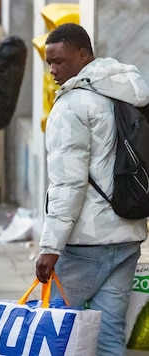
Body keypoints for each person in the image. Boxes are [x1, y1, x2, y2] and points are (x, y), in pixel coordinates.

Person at [35, 23, 149, 356]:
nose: (54, 71)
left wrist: (49, 245)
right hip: (128, 231)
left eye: (60, 61)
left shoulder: (72, 106)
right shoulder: (129, 92)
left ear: (83, 55)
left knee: (53, 329)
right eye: (49, 63)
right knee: (109, 333)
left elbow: (68, 184)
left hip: (87, 240)